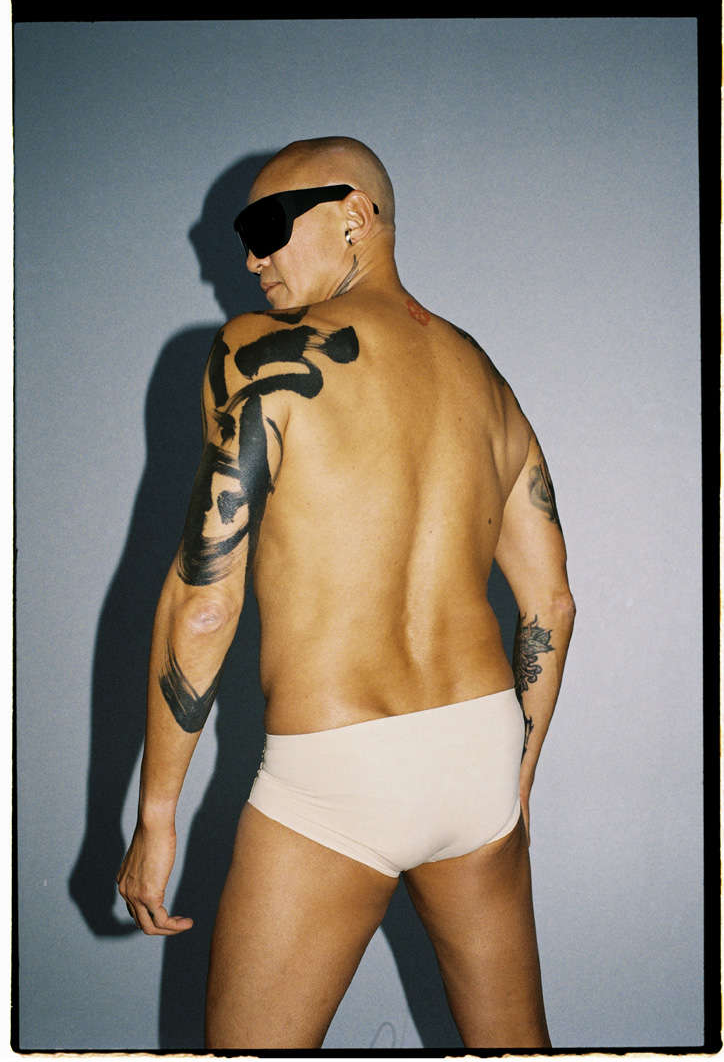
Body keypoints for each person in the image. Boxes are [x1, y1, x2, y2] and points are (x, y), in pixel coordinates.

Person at [117, 135, 575, 1050]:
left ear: (356, 216)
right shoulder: (484, 378)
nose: (251, 258)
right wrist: (513, 781)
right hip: (478, 753)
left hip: (337, 768)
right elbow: (551, 605)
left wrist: (156, 814)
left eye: (268, 226)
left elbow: (206, 599)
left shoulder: (256, 351)